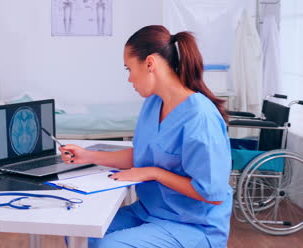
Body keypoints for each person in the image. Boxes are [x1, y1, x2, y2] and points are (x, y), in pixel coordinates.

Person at [60, 25, 232, 248]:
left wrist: (155, 173)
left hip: (194, 225)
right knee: (78, 232)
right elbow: (144, 155)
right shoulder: (153, 104)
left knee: (109, 246)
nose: (130, 79)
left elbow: (213, 194)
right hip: (151, 211)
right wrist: (87, 155)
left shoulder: (200, 117)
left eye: (129, 69)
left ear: (150, 63)